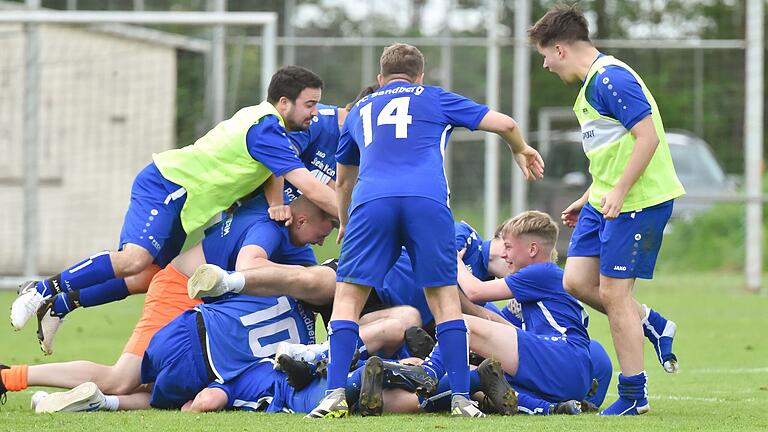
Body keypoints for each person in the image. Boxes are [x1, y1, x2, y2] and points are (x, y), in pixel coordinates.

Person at [10, 66, 340, 353]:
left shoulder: (273, 129)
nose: (315, 112)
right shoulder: (266, 129)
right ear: (284, 103)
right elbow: (309, 186)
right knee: (133, 260)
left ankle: (62, 304)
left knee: (148, 276)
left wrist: (276, 204)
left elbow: (273, 170)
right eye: (310, 104)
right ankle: (40, 290)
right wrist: (352, 219)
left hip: (185, 205)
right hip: (167, 185)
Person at [305, 43, 544, 419]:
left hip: (372, 202)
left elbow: (343, 179)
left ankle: (333, 394)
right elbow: (506, 124)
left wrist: (347, 221)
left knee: (348, 299)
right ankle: (463, 401)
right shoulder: (434, 98)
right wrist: (520, 148)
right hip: (425, 201)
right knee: (445, 300)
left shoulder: (360, 110)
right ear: (419, 77)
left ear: (380, 79)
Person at [0, 194, 336, 408]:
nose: (329, 236)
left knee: (169, 385)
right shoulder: (271, 230)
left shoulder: (284, 222)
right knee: (123, 377)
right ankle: (9, 376)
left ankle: (83, 391)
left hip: (196, 297)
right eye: (330, 224)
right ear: (303, 217)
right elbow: (251, 266)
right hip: (180, 292)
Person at [528, 4, 686, 415]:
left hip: (637, 202)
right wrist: (591, 195)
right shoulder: (590, 87)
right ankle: (652, 322)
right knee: (578, 281)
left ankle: (634, 396)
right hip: (606, 200)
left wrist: (618, 190)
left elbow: (647, 138)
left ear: (560, 49)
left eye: (544, 54)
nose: (544, 64)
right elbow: (614, 150)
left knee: (615, 294)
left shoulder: (611, 79)